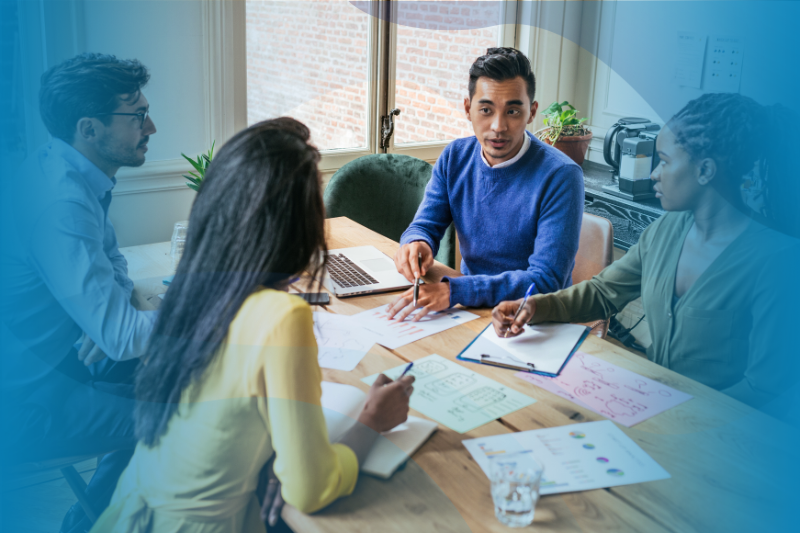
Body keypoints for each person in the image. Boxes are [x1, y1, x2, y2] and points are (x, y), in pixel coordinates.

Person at [90, 118, 415, 533]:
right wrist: (371, 420)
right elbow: (311, 490)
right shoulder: (283, 316)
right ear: (298, 225)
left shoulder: (195, 289)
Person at [492, 93, 800, 412]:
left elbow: (763, 390)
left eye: (664, 161)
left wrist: (676, 414)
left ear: (705, 170)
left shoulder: (779, 262)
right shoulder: (666, 229)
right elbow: (602, 293)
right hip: (655, 407)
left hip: (723, 437)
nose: (653, 173)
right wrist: (534, 307)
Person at [0, 53, 158, 532]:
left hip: (58, 363)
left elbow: (113, 261)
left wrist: (104, 319)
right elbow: (126, 338)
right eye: (136, 117)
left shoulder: (65, 169)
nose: (151, 126)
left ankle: (90, 516)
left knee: (181, 371)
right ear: (88, 128)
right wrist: (216, 307)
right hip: (29, 403)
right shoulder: (62, 204)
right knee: (191, 414)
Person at [388, 47, 584, 321]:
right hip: (470, 309)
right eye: (486, 109)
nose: (498, 126)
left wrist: (458, 291)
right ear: (468, 109)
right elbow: (425, 225)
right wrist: (415, 242)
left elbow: (547, 279)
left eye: (513, 111)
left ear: (532, 112)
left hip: (533, 318)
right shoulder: (455, 157)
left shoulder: (562, 175)